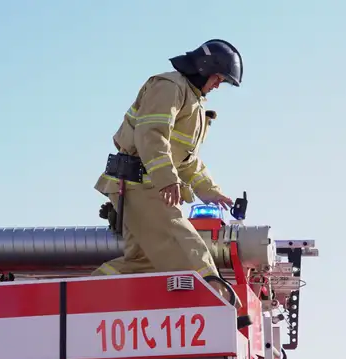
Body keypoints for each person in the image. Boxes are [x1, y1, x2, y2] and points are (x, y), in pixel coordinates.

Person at [92, 39, 243, 293]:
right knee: (185, 248)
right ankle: (216, 298)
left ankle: (77, 297)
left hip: (143, 185)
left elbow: (186, 160)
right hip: (140, 185)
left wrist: (211, 191)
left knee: (144, 263)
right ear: (204, 68)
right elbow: (151, 135)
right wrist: (167, 180)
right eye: (218, 78)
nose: (218, 85)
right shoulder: (169, 86)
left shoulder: (193, 101)